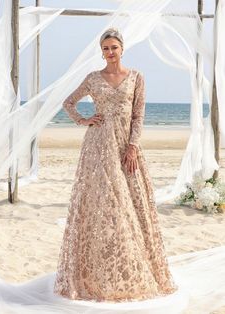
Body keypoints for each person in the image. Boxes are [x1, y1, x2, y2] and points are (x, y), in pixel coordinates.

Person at [53, 27, 178, 302]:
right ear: (102, 52)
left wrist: (133, 146)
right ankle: (96, 273)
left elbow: (138, 115)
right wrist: (84, 120)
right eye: (106, 49)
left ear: (122, 49)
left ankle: (131, 265)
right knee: (103, 204)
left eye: (114, 48)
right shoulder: (93, 78)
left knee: (131, 203)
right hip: (97, 147)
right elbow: (68, 102)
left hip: (125, 146)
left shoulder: (136, 77)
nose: (110, 53)